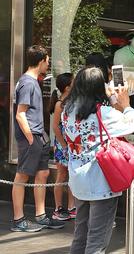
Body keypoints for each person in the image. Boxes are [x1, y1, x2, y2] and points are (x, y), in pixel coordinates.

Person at [62, 67, 134, 253]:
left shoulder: (67, 111)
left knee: (80, 237)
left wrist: (111, 99)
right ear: (100, 87)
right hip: (101, 184)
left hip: (78, 181)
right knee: (97, 242)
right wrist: (125, 104)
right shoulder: (103, 114)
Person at [12, 45, 65, 232]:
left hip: (38, 136)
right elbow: (20, 114)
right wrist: (31, 138)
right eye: (47, 61)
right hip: (31, 136)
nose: (48, 65)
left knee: (42, 174)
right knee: (22, 176)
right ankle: (19, 220)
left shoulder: (32, 81)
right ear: (41, 61)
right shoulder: (27, 83)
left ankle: (41, 215)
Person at [49, 72, 76, 221]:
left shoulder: (72, 102)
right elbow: (55, 127)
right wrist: (64, 145)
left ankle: (72, 207)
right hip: (62, 144)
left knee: (72, 175)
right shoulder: (60, 104)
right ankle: (58, 208)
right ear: (67, 87)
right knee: (61, 175)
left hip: (71, 144)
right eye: (73, 83)